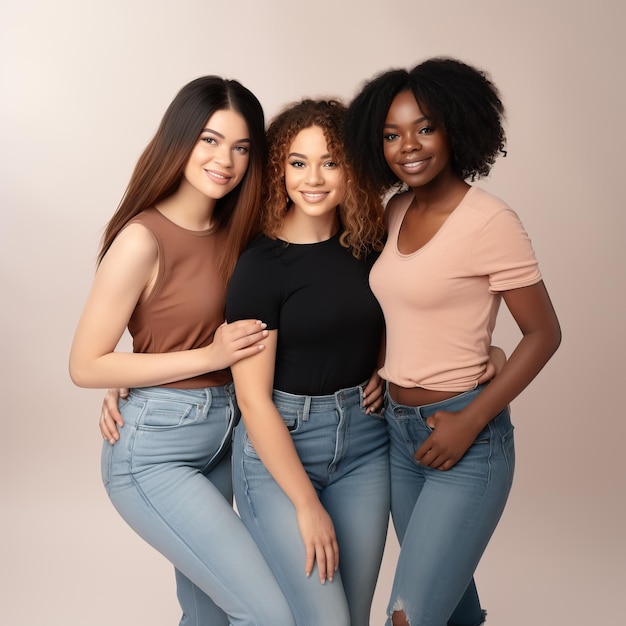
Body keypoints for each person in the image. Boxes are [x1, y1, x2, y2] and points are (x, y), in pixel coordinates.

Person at [69, 76, 295, 626]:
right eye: (211, 140)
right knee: (269, 614)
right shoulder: (142, 239)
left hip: (227, 436)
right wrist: (202, 358)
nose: (226, 160)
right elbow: (85, 364)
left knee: (211, 616)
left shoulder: (244, 230)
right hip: (155, 451)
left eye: (242, 147)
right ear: (181, 139)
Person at [344, 57, 562, 626]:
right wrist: (381, 367)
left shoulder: (490, 221)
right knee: (451, 605)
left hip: (466, 435)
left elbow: (544, 334)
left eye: (425, 127)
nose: (407, 146)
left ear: (457, 129)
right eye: (391, 134)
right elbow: (399, 310)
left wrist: (470, 421)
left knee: (408, 614)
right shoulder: (395, 211)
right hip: (397, 433)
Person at [224, 99, 389, 626]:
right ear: (279, 170)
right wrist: (305, 505)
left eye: (330, 162)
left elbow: (403, 314)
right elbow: (252, 398)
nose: (313, 178)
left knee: (353, 618)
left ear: (352, 169)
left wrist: (384, 364)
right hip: (281, 445)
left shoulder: (371, 245)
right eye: (298, 162)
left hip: (365, 443)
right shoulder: (261, 266)